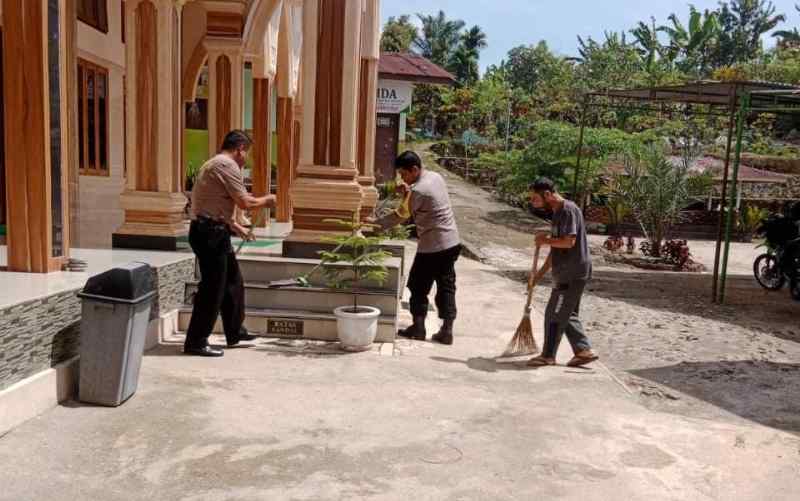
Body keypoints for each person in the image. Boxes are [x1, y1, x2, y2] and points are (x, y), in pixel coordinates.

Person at [184, 130, 276, 357]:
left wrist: (236, 227)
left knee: (233, 281)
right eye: (247, 153)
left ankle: (234, 331)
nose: (247, 158)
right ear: (239, 149)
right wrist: (269, 199)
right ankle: (196, 341)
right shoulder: (226, 165)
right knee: (212, 289)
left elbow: (211, 204)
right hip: (209, 234)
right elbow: (245, 202)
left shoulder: (213, 164)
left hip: (212, 231)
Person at [376, 151, 461, 345]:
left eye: (404, 174)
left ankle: (418, 327)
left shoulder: (419, 191)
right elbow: (417, 201)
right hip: (452, 242)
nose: (402, 178)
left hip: (433, 245)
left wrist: (376, 225)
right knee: (447, 286)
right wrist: (407, 191)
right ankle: (447, 330)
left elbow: (400, 216)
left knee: (417, 286)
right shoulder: (436, 177)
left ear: (414, 169)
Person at [526, 178, 599, 367]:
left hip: (572, 272)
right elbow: (556, 250)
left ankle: (548, 355)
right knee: (567, 314)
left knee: (554, 313)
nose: (532, 202)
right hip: (569, 272)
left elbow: (568, 242)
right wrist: (538, 275)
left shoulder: (567, 210)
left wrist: (545, 240)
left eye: (535, 198)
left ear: (548, 195)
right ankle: (583, 351)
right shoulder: (557, 212)